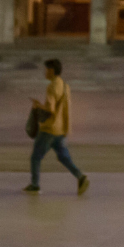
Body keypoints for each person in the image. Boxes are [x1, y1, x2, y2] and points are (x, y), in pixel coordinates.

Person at [25, 58, 89, 195]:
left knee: (36, 157)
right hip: (61, 128)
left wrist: (37, 105)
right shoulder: (65, 86)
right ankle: (80, 177)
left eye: (46, 69)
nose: (45, 72)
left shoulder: (52, 86)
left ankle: (35, 185)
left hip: (49, 129)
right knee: (63, 157)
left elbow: (50, 108)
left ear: (51, 71)